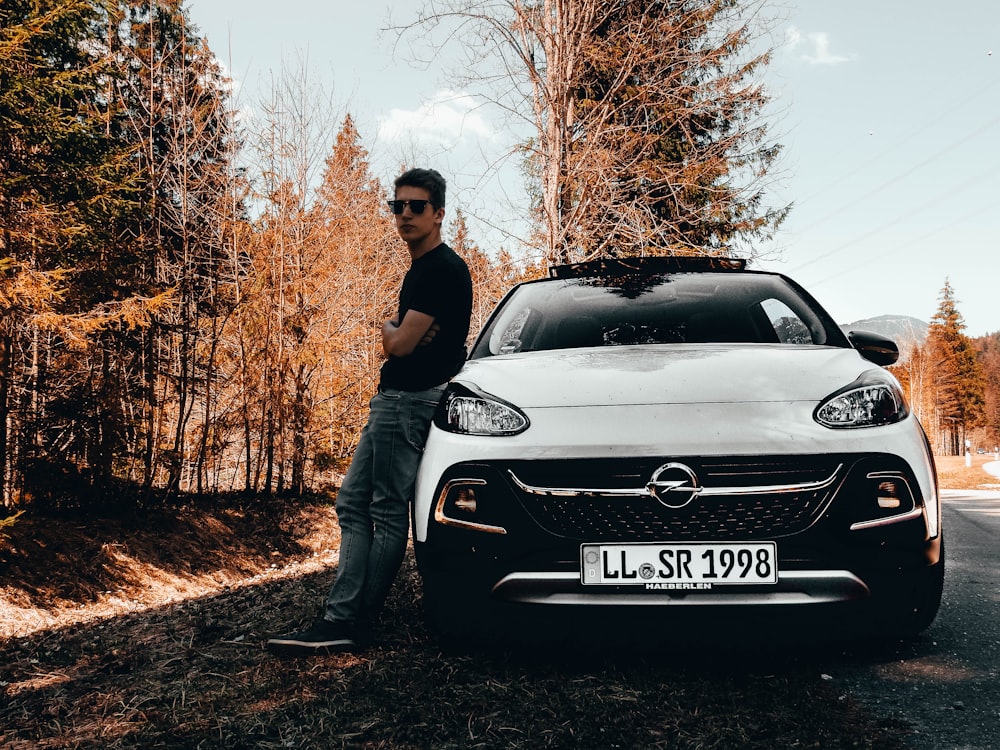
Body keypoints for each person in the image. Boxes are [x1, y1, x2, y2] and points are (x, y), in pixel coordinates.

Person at [267, 168, 472, 656]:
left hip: (407, 401)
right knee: (351, 504)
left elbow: (399, 345)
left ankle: (351, 622)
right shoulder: (422, 269)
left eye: (416, 206)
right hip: (396, 400)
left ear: (439, 213)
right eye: (397, 205)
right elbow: (409, 340)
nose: (404, 214)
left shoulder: (441, 269)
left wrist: (389, 326)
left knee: (383, 509)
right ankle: (343, 614)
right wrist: (402, 332)